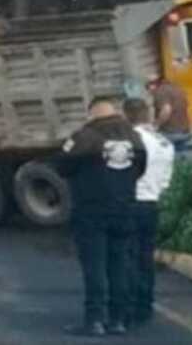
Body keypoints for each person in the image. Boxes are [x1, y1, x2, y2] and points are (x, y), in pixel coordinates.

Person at [55, 97, 147, 338]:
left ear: (92, 114)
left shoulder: (84, 136)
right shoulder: (134, 137)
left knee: (94, 267)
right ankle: (118, 320)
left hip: (92, 211)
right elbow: (141, 168)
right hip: (125, 209)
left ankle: (94, 320)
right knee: (119, 266)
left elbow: (61, 166)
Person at [123, 98, 174, 328]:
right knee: (145, 257)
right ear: (148, 114)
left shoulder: (130, 140)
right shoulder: (164, 142)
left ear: (126, 116)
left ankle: (131, 308)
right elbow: (165, 181)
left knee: (128, 257)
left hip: (131, 204)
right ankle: (145, 305)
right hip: (152, 204)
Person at [148, 78, 190, 151]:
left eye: (148, 89)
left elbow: (166, 110)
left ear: (153, 86)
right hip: (184, 131)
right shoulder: (178, 90)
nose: (150, 93)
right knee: (180, 158)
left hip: (169, 133)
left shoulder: (161, 91)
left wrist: (156, 125)